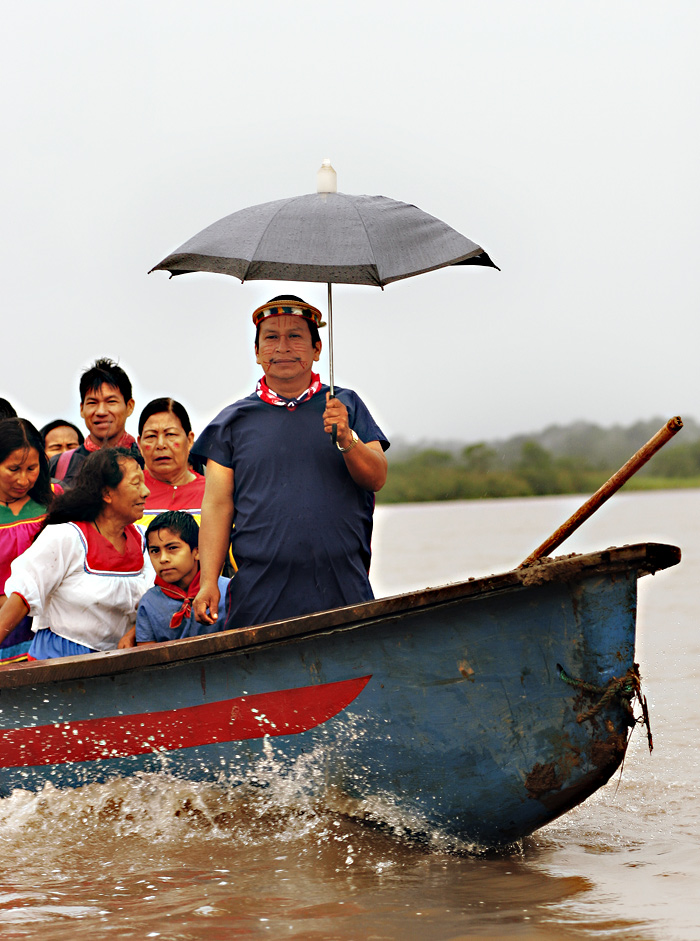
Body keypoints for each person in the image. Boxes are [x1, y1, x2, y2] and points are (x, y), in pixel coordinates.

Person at [191, 295, 389, 632]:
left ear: (317, 348)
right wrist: (208, 581)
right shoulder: (231, 422)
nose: (283, 347)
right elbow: (217, 505)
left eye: (295, 336)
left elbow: (376, 477)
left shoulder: (345, 406)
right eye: (271, 337)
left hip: (342, 584)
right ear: (257, 352)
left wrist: (346, 438)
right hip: (260, 591)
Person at [0, 448, 152, 661]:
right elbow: (22, 597)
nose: (146, 492)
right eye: (136, 483)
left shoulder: (144, 540)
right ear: (106, 493)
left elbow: (156, 602)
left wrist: (134, 632)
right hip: (60, 660)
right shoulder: (66, 537)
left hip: (118, 662)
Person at [0, 419, 54, 662]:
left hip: (47, 630)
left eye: (32, 469)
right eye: (13, 469)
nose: (23, 480)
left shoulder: (56, 503)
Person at [135, 511, 228, 644]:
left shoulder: (228, 591)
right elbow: (147, 655)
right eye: (155, 551)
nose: (163, 559)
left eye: (172, 548)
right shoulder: (149, 603)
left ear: (198, 551)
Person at [50, 358, 140, 486]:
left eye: (111, 402)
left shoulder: (145, 461)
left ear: (129, 406)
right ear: (82, 409)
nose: (101, 412)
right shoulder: (60, 465)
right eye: (92, 403)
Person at [136, 398, 206, 527]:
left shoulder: (212, 492)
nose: (161, 445)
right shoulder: (127, 494)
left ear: (190, 440)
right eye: (151, 436)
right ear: (139, 444)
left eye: (170, 434)